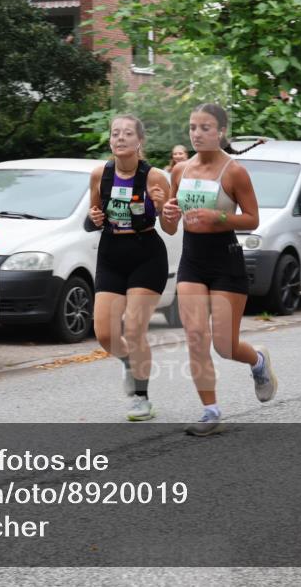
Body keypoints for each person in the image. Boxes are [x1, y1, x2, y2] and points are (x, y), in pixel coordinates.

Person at [160, 104, 273, 436]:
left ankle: (258, 361)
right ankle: (210, 410)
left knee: (225, 346)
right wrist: (167, 215)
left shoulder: (234, 172)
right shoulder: (180, 171)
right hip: (192, 260)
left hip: (226, 260)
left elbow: (253, 219)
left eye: (205, 127)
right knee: (196, 337)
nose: (197, 133)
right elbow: (169, 226)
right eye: (193, 127)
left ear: (221, 132)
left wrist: (220, 217)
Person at [88, 115, 170, 421]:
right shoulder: (100, 175)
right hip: (111, 253)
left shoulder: (155, 178)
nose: (120, 138)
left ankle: (141, 397)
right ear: (110, 140)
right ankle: (127, 362)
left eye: (127, 133)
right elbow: (92, 217)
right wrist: (94, 219)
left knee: (134, 330)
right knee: (105, 334)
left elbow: (172, 226)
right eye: (115, 133)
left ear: (139, 142)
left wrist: (162, 209)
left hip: (146, 253)